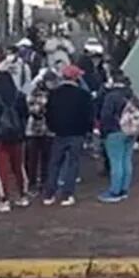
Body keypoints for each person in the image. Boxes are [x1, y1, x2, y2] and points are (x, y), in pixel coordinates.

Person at [43, 64, 93, 207]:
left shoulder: (54, 94)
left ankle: (49, 194)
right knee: (73, 164)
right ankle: (67, 194)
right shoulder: (83, 95)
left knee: (54, 164)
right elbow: (89, 115)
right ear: (76, 77)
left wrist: (52, 128)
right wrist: (86, 131)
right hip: (77, 134)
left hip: (59, 133)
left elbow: (49, 114)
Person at [0, 62, 30, 213]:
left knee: (2, 168)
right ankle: (22, 195)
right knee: (18, 166)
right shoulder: (18, 95)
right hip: (17, 136)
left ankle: (4, 199)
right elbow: (25, 114)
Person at [98, 70, 138, 202]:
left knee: (116, 162)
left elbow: (105, 116)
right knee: (126, 160)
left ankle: (115, 191)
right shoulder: (132, 95)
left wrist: (102, 131)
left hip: (114, 131)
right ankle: (124, 189)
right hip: (131, 130)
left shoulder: (111, 96)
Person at [25, 70, 57, 194]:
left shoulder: (53, 93)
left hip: (47, 130)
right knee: (32, 159)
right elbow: (34, 110)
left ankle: (44, 182)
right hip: (34, 129)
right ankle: (31, 183)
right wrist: (47, 109)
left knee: (46, 158)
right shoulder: (35, 91)